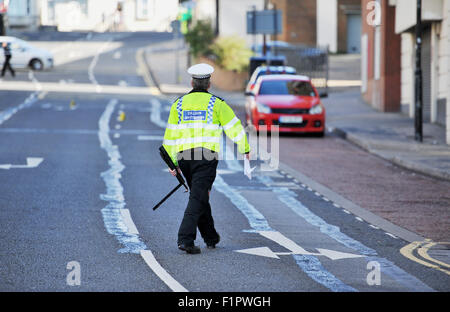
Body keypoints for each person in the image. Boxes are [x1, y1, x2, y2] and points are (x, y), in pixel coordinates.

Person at [163, 63, 250, 254]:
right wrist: (245, 148)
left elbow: (170, 136)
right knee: (198, 196)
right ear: (209, 84)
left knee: (199, 194)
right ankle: (185, 239)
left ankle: (210, 236)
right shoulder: (217, 104)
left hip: (184, 158)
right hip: (205, 158)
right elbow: (234, 128)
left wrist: (172, 163)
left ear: (192, 82)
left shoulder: (179, 104)